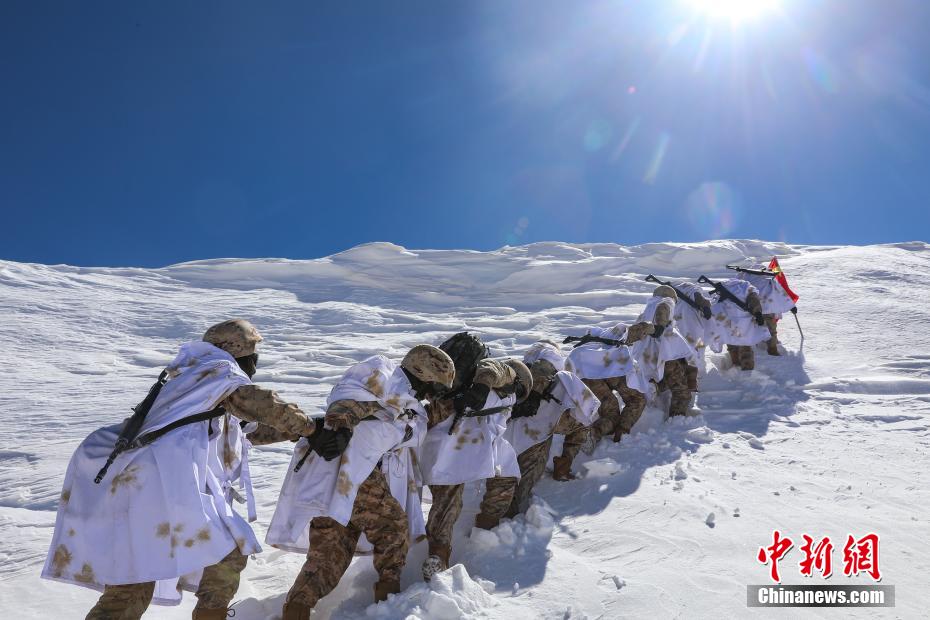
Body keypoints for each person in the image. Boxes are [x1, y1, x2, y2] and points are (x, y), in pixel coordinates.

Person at [42, 319, 317, 620]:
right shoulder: (218, 371)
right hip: (159, 488)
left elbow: (243, 432)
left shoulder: (191, 382)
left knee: (136, 575)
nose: (255, 363)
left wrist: (296, 433)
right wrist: (310, 428)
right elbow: (261, 404)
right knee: (229, 549)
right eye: (253, 355)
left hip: (137, 488)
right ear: (239, 352)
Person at [267, 345, 455, 620]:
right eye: (435, 387)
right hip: (349, 471)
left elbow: (408, 424)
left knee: (330, 553)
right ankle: (389, 606)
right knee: (393, 529)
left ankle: (296, 610)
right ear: (424, 374)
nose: (432, 395)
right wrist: (341, 426)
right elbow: (349, 400)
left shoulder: (407, 403)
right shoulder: (382, 375)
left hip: (345, 476)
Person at [417, 348, 531, 581]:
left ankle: (443, 551)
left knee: (451, 498)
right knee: (454, 496)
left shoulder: (500, 396)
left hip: (450, 438)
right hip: (456, 438)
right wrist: (481, 387)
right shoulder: (507, 377)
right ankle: (447, 550)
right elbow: (491, 367)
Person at [498, 341, 599, 517]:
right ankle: (563, 465)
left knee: (513, 459)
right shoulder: (552, 354)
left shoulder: (526, 360)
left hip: (512, 418)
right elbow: (583, 405)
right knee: (533, 464)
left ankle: (502, 510)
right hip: (543, 420)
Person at [555, 320, 653, 480]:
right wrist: (624, 426)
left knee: (584, 415)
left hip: (581, 376)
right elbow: (635, 399)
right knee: (623, 408)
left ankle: (566, 460)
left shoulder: (589, 343)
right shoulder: (618, 342)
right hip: (607, 375)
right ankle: (601, 433)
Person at [633, 286, 698, 417]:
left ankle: (655, 387)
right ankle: (677, 419)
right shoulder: (666, 301)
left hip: (647, 357)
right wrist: (660, 327)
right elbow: (663, 308)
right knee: (681, 392)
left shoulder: (645, 312)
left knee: (664, 378)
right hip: (666, 355)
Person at [703, 278, 769, 371]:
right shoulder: (746, 288)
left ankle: (737, 366)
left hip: (727, 325)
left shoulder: (725, 288)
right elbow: (754, 300)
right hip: (744, 326)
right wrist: (757, 312)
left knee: (732, 345)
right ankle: (746, 368)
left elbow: (714, 305)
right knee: (745, 346)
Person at [736, 265, 797, 355]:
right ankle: (772, 349)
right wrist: (791, 306)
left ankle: (752, 348)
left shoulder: (745, 279)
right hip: (767, 310)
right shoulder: (768, 280)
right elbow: (780, 293)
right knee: (771, 330)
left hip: (750, 311)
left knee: (749, 329)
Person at [668, 280, 714, 392]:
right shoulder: (693, 290)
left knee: (681, 351)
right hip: (693, 328)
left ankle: (687, 378)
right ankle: (692, 380)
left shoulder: (671, 293)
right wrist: (706, 308)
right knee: (696, 351)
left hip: (678, 326)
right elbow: (703, 301)